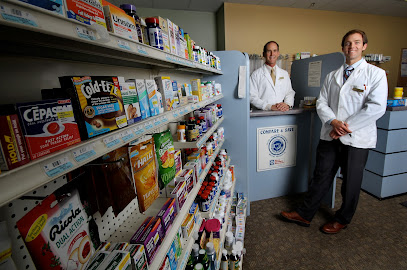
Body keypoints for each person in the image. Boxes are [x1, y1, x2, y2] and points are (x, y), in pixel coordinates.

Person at [280, 29, 388, 234]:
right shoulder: (332, 76)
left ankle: (343, 218)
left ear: (364, 46)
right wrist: (333, 121)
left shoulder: (376, 74)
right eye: (348, 43)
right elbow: (322, 103)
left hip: (356, 138)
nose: (352, 47)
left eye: (357, 43)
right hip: (330, 134)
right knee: (321, 175)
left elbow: (376, 108)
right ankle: (305, 213)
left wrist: (344, 128)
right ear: (342, 47)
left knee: (351, 182)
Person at [250, 41, 295, 111]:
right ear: (264, 54)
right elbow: (252, 97)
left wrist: (287, 104)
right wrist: (269, 106)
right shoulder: (255, 75)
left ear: (278, 53)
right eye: (269, 51)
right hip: (262, 115)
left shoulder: (284, 74)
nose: (272, 54)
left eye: (274, 51)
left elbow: (289, 92)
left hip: (282, 114)